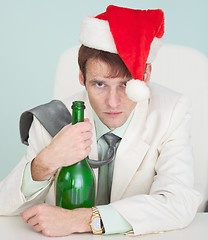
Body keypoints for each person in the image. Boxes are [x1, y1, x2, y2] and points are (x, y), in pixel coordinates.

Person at [0, 5, 202, 237]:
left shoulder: (170, 111)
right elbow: (5, 208)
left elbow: (178, 201)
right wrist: (44, 163)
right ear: (81, 77)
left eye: (126, 85)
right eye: (99, 84)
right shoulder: (53, 118)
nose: (113, 102)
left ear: (145, 76)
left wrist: (84, 220)